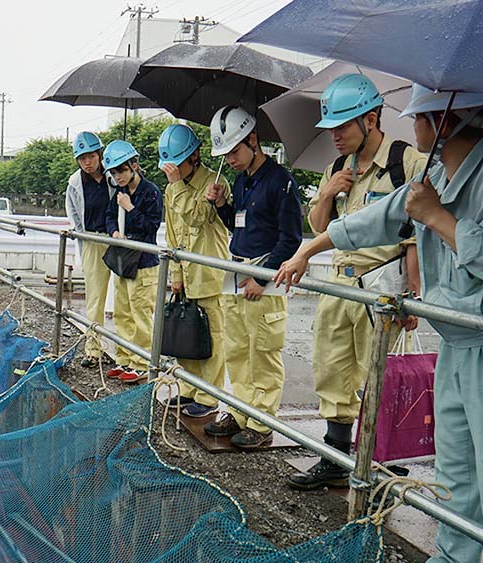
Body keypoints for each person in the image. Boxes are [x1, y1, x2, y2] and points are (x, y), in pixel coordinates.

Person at [275, 85, 483, 563]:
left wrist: (437, 217)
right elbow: (377, 218)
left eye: (419, 117)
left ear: (444, 122)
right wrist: (310, 248)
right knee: (457, 478)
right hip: (459, 339)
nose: (413, 126)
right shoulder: (435, 176)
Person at [289, 74, 427, 489]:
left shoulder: (407, 162)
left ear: (371, 119)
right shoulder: (335, 168)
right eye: (331, 128)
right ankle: (334, 455)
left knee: (379, 374)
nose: (335, 136)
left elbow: (417, 232)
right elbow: (317, 226)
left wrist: (413, 295)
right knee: (332, 369)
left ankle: (378, 461)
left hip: (382, 286)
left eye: (343, 126)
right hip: (338, 283)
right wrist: (328, 192)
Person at [201, 106, 303, 450]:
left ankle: (261, 421)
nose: (229, 159)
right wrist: (220, 206)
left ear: (253, 140)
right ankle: (240, 410)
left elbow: (291, 239)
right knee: (238, 349)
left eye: (233, 150)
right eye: (225, 153)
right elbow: (239, 224)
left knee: (263, 352)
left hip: (264, 279)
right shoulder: (241, 181)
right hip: (238, 272)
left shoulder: (280, 181)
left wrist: (264, 279)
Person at [157, 123, 231, 418]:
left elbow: (198, 217)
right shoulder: (171, 189)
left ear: (194, 156)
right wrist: (176, 274)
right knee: (185, 331)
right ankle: (188, 386)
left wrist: (175, 185)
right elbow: (173, 233)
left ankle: (209, 396)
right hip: (184, 271)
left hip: (208, 272)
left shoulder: (214, 182)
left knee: (211, 334)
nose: (173, 171)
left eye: (178, 165)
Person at [102, 140, 164, 384]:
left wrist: (129, 208)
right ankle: (124, 358)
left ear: (134, 166)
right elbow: (109, 216)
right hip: (123, 260)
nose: (118, 176)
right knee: (123, 313)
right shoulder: (120, 192)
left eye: (122, 170)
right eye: (114, 172)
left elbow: (150, 227)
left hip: (144, 262)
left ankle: (140, 362)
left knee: (141, 315)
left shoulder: (151, 192)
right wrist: (114, 232)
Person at [64, 131, 115, 368]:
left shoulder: (114, 173)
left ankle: (127, 355)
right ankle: (93, 349)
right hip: (93, 240)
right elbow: (73, 212)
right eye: (82, 158)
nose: (87, 162)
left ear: (100, 154)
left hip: (118, 239)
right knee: (95, 298)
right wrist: (81, 233)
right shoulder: (75, 182)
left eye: (91, 156)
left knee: (125, 299)